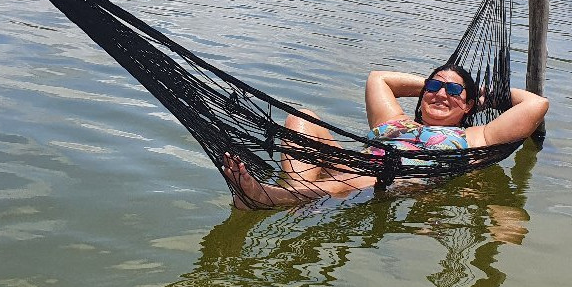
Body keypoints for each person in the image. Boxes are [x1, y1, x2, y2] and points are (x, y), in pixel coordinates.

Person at [223, 63, 548, 209]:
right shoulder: (396, 122)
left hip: (397, 180)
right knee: (302, 118)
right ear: (421, 96)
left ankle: (269, 197)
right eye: (434, 88)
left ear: (468, 105)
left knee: (369, 177)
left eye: (452, 92)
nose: (440, 94)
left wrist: (480, 96)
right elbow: (379, 78)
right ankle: (293, 193)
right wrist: (440, 86)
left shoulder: (477, 137)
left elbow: (536, 104)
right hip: (351, 166)